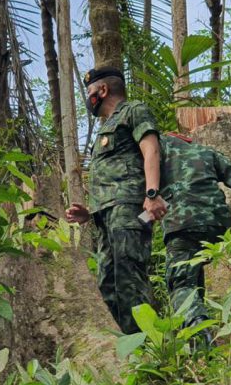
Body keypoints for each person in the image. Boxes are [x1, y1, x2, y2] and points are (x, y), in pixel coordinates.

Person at [65, 67, 168, 334]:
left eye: (89, 92)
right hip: (105, 216)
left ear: (103, 90)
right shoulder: (106, 127)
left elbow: (151, 150)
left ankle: (151, 349)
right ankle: (127, 353)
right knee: (108, 286)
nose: (88, 99)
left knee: (129, 280)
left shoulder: (133, 111)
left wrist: (152, 194)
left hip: (129, 210)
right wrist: (90, 212)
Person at [159, 134, 231, 333]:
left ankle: (199, 331)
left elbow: (155, 199)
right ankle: (198, 344)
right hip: (218, 224)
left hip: (183, 223)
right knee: (193, 277)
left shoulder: (158, 153)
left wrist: (139, 223)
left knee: (181, 283)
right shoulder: (205, 151)